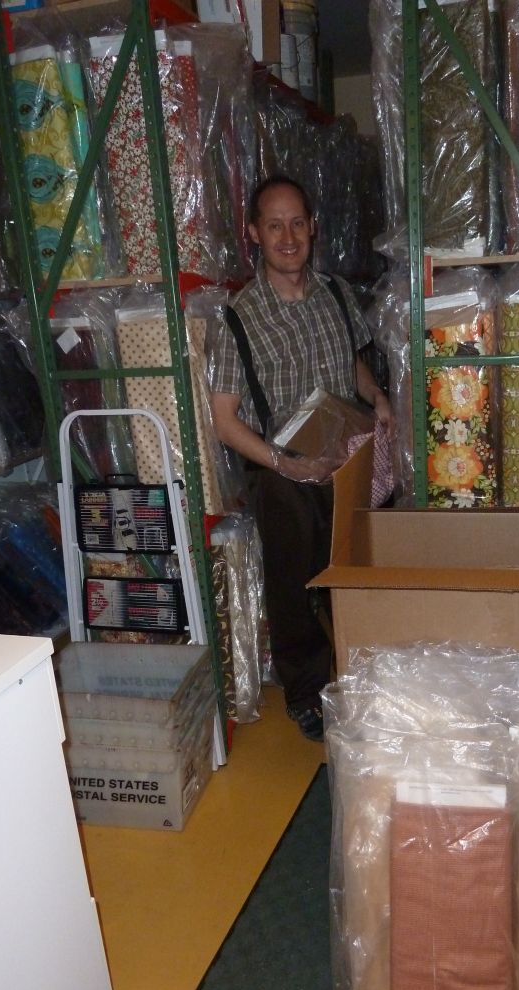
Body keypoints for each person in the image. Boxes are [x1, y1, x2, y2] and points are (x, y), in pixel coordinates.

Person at [209, 174, 392, 741]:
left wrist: (377, 397)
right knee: (294, 581)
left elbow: (351, 363)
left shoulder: (336, 293)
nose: (287, 238)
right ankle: (307, 692)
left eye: (296, 224)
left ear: (313, 227)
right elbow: (223, 420)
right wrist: (284, 464)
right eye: (274, 226)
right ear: (254, 234)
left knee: (359, 569)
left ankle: (370, 671)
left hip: (347, 455)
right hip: (282, 468)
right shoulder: (237, 318)